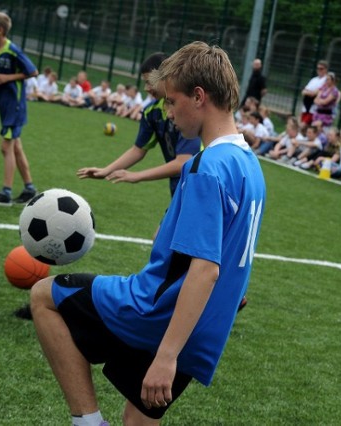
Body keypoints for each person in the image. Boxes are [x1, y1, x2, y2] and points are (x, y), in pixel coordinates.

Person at [31, 40, 266, 426]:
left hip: (157, 314)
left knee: (44, 295)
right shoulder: (248, 164)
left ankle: (87, 422)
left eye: (171, 102)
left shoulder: (208, 167)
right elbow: (237, 249)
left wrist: (167, 355)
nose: (168, 113)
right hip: (203, 329)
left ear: (199, 97)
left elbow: (206, 269)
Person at [77, 52, 201, 198]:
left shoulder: (186, 110)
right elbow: (138, 150)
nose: (146, 88)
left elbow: (183, 162)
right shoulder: (151, 112)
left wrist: (136, 176)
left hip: (198, 184)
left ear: (167, 77)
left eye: (150, 81)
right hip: (179, 186)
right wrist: (106, 170)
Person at [0, 12, 39, 207]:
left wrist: (8, 79)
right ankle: (30, 189)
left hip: (15, 105)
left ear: (0, 30)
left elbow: (32, 71)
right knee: (16, 147)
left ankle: (6, 193)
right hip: (4, 105)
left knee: (6, 147)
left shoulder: (13, 50)